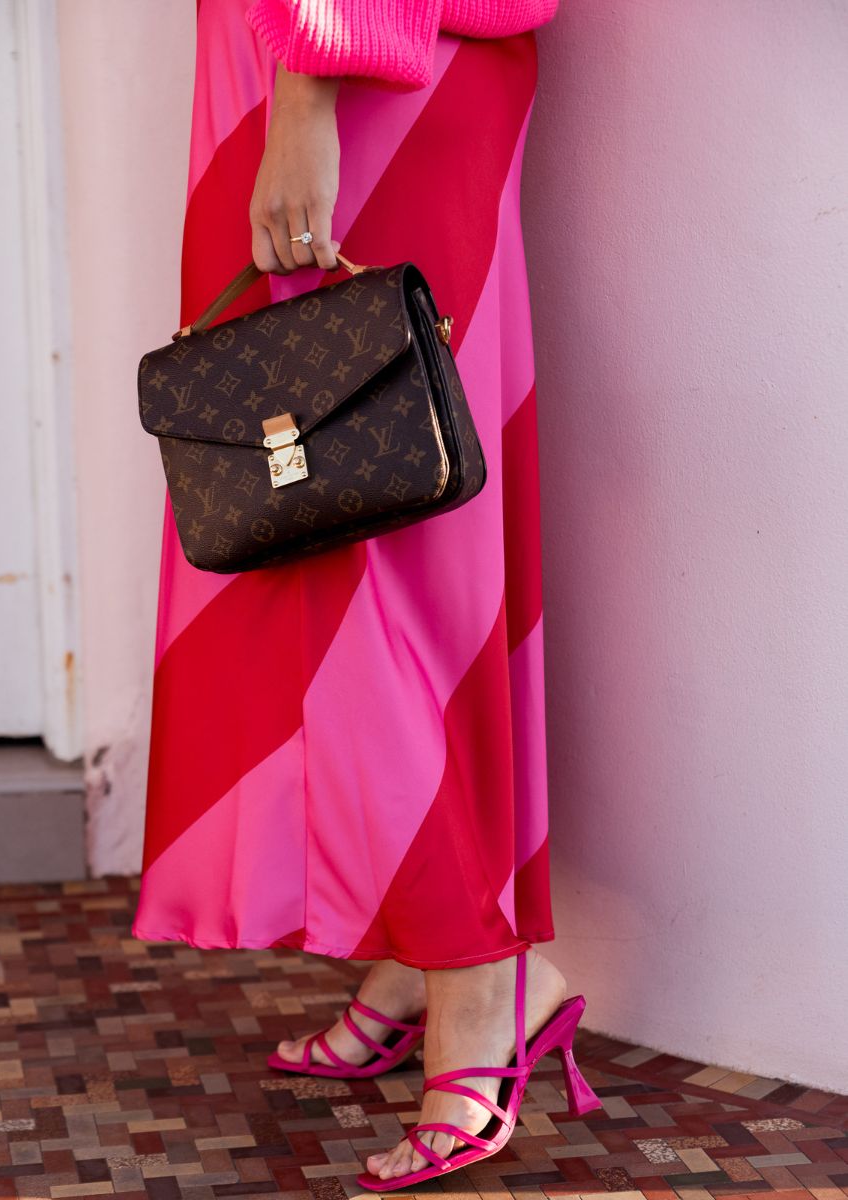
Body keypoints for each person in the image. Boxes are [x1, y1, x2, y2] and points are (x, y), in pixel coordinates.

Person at [132, 0, 602, 1186]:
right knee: (316, 513)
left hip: (355, 73)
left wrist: (306, 95)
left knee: (383, 548)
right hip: (302, 66)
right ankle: (417, 948)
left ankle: (480, 980)